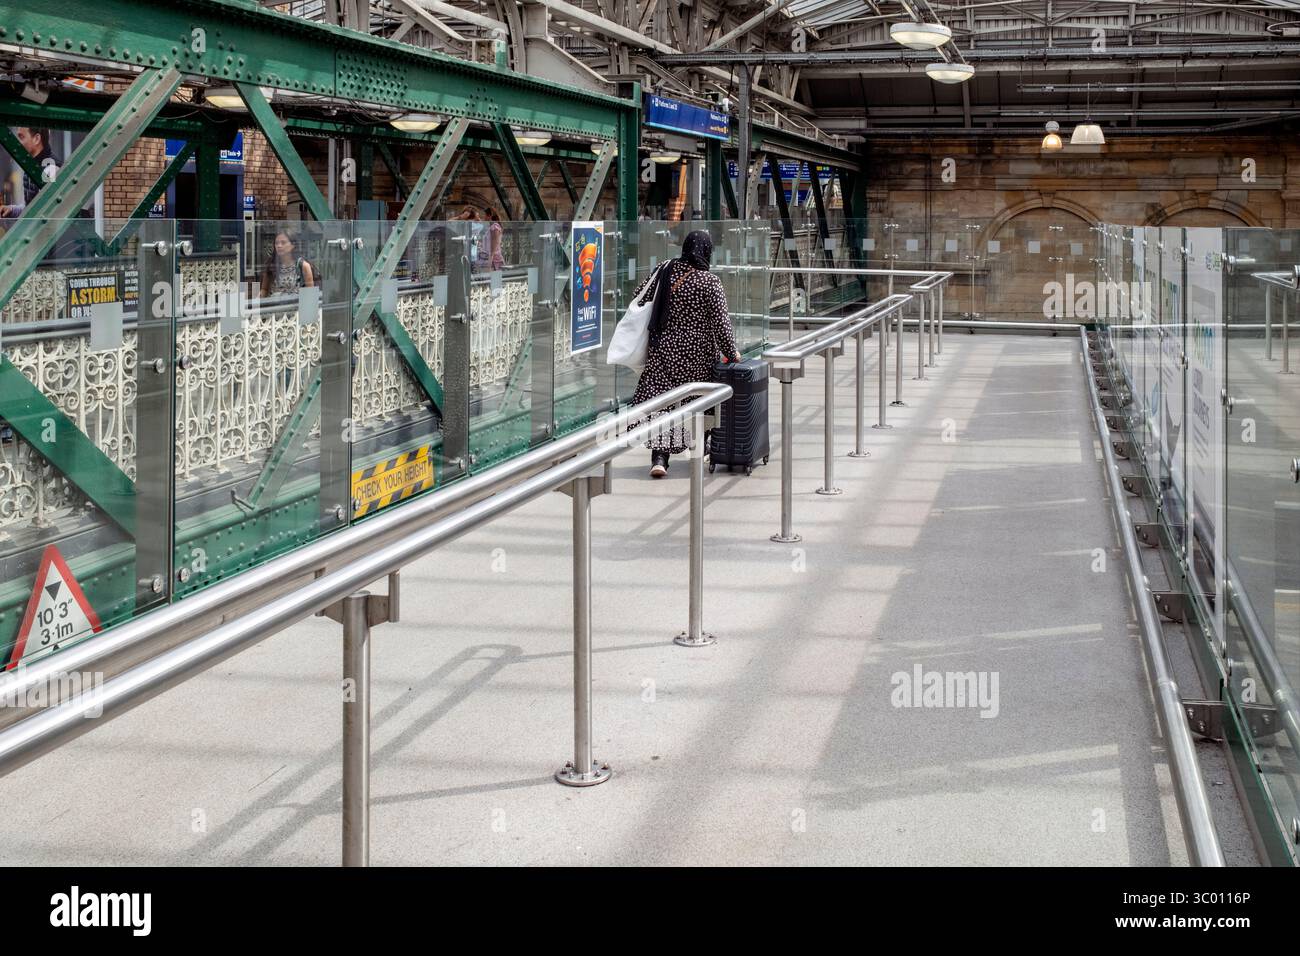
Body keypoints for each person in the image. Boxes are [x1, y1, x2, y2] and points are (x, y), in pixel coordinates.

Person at [627, 230, 740, 478]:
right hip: (698, 354)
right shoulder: (709, 282)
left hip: (663, 350)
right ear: (706, 251)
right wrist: (732, 353)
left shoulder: (664, 270)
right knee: (703, 400)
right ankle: (703, 445)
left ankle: (659, 458)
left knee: (664, 403)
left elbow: (639, 295)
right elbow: (721, 324)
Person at [0, 127, 58, 219]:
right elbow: (32, 208)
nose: (17, 143)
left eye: (21, 137)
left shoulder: (50, 169)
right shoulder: (32, 164)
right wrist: (12, 210)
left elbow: (46, 215)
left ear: (36, 139)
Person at [259, 230, 316, 298]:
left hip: (295, 307)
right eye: (276, 243)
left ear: (293, 245)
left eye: (283, 243)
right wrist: (255, 303)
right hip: (273, 306)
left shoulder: (303, 265)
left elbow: (310, 294)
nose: (279, 246)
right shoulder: (272, 264)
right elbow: (264, 289)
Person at [475, 206, 505, 271]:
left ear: (490, 216)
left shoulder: (494, 226)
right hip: (490, 258)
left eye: (485, 215)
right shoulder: (492, 226)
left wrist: (490, 259)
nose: (484, 217)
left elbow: (495, 243)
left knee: (493, 279)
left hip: (493, 260)